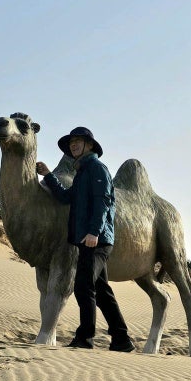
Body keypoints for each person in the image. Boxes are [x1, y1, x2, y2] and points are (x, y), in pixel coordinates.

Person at [35, 127, 135, 352]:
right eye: (72, 142)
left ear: (89, 145)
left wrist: (94, 232)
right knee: (101, 291)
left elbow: (103, 202)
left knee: (83, 286)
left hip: (96, 240)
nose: (73, 145)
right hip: (88, 239)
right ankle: (122, 340)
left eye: (78, 141)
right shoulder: (83, 172)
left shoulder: (97, 168)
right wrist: (49, 175)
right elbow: (65, 197)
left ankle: (85, 338)